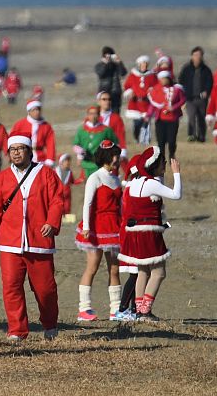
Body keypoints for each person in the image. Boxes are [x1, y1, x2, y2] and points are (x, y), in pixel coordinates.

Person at [0, 135, 65, 341]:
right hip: (10, 243)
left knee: (45, 289)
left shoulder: (46, 174)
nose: (16, 152)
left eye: (21, 148)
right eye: (13, 149)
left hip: (39, 242)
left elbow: (57, 201)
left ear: (30, 151)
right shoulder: (1, 178)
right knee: (11, 286)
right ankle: (17, 330)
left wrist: (52, 223)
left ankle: (50, 324)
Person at [118, 147, 181, 322]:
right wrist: (177, 174)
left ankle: (138, 310)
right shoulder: (152, 184)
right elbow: (176, 195)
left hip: (134, 233)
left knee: (143, 271)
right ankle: (145, 311)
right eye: (163, 162)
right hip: (149, 233)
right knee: (159, 272)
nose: (166, 164)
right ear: (154, 165)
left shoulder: (135, 182)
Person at [74, 140, 123, 322]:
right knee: (93, 266)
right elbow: (87, 203)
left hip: (114, 226)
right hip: (97, 226)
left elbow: (120, 205)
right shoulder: (95, 177)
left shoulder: (116, 178)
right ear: (106, 158)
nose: (117, 159)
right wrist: (86, 227)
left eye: (117, 155)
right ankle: (84, 308)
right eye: (113, 156)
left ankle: (116, 309)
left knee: (115, 269)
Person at [147, 71, 186, 163]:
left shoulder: (176, 89)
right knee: (161, 141)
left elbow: (183, 99)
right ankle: (161, 159)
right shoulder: (156, 89)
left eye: (165, 78)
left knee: (171, 140)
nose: (164, 80)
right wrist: (148, 114)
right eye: (162, 79)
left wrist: (174, 107)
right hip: (160, 119)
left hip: (173, 119)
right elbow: (153, 104)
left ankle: (172, 154)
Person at [72, 104, 119, 178]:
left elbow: (115, 144)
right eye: (91, 114)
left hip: (101, 164)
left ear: (99, 115)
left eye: (95, 113)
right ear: (87, 115)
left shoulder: (106, 130)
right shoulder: (81, 129)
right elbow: (76, 145)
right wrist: (79, 155)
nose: (93, 116)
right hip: (86, 164)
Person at [178, 47, 213, 143]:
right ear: (192, 56)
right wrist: (182, 95)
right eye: (196, 55)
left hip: (202, 99)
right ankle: (191, 135)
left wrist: (207, 91)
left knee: (201, 117)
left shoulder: (206, 70)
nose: (198, 57)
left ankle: (201, 136)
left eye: (200, 55)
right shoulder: (186, 69)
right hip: (189, 99)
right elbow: (180, 81)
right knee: (191, 117)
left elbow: (210, 83)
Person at [10, 99, 57, 167]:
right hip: (24, 157)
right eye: (34, 110)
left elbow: (51, 144)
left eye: (38, 109)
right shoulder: (20, 124)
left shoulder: (46, 126)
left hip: (41, 158)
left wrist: (50, 159)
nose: (37, 112)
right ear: (29, 112)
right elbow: (12, 142)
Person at [122, 55, 158, 145]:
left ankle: (146, 141)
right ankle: (137, 138)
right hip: (135, 103)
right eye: (142, 64)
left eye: (146, 64)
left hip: (147, 103)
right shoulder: (133, 75)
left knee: (146, 123)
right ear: (139, 64)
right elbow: (127, 86)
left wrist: (152, 91)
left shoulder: (152, 75)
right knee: (137, 123)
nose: (144, 65)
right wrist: (130, 92)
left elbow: (157, 87)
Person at [94, 47, 126, 112]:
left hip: (115, 93)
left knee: (115, 114)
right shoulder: (99, 65)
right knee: (103, 113)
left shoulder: (115, 65)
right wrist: (106, 63)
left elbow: (123, 73)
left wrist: (119, 62)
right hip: (104, 92)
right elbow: (101, 73)